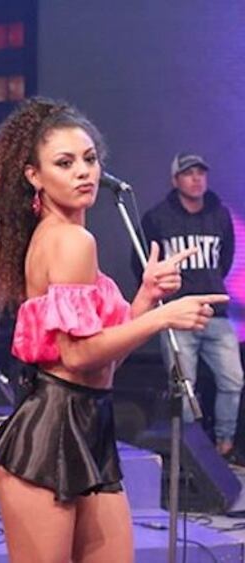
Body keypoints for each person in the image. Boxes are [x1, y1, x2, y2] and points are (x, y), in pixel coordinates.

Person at [0, 97, 227, 562]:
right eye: (65, 163)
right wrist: (163, 316)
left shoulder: (66, 237)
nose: (83, 172)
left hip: (90, 424)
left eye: (89, 159)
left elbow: (102, 362)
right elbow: (78, 356)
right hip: (51, 434)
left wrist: (145, 297)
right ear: (34, 176)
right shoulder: (71, 240)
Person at [137, 152, 244, 458]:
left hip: (214, 314)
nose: (196, 179)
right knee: (184, 388)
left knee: (233, 380)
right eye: (188, 173)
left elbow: (225, 258)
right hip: (176, 314)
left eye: (200, 173)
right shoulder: (157, 218)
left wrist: (208, 283)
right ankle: (191, 451)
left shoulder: (219, 214)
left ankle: (224, 444)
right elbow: (143, 263)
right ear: (175, 180)